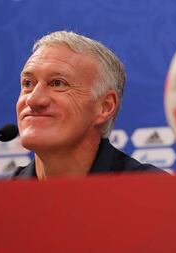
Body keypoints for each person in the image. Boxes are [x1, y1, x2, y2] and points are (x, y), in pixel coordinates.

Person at [11, 31, 164, 179]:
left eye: (57, 83)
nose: (33, 100)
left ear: (105, 106)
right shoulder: (0, 199)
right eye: (28, 83)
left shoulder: (152, 191)